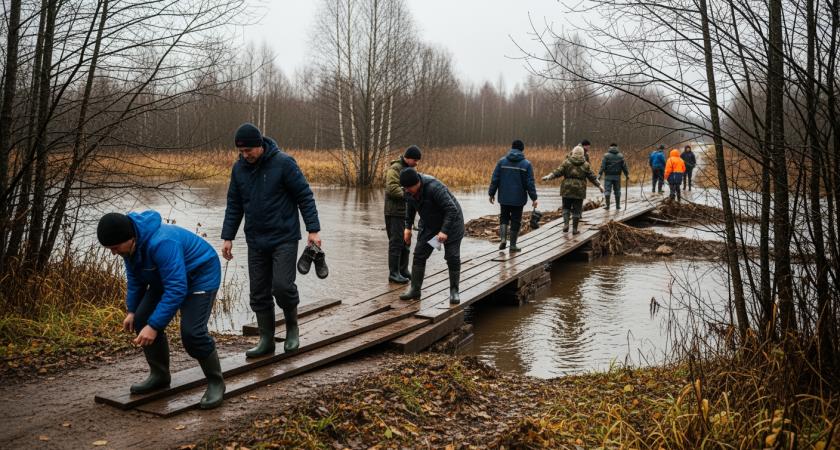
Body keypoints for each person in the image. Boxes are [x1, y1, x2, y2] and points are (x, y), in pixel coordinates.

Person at [98, 211, 225, 409]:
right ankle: (160, 375)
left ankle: (216, 382)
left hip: (200, 274)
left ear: (130, 238)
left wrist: (155, 326)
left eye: (115, 248)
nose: (113, 253)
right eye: (109, 249)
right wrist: (132, 311)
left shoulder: (162, 242)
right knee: (141, 319)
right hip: (166, 277)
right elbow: (135, 280)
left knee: (192, 333)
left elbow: (176, 288)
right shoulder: (129, 247)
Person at [221, 123, 322, 357]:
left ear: (260, 145)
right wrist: (228, 237)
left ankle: (292, 329)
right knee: (258, 292)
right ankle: (266, 340)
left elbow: (305, 196)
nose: (245, 156)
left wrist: (313, 230)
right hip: (255, 240)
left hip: (284, 236)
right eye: (241, 152)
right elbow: (234, 205)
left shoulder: (284, 163)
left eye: (249, 151)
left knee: (283, 287)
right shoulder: (239, 169)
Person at [399, 168, 465, 304]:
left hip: (452, 224)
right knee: (419, 255)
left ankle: (454, 291)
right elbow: (410, 207)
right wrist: (407, 227)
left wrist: (444, 231)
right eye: (404, 188)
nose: (406, 191)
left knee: (452, 257)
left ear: (417, 183)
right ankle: (415, 290)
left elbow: (451, 209)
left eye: (408, 187)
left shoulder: (434, 188)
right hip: (429, 224)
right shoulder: (408, 191)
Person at [488, 139, 538, 252]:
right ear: (522, 149)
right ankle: (513, 246)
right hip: (518, 198)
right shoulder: (526, 164)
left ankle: (503, 240)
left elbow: (495, 179)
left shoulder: (502, 161)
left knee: (504, 217)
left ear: (512, 148)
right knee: (516, 220)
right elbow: (530, 183)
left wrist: (491, 193)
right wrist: (534, 198)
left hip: (504, 197)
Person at [542, 146, 604, 235]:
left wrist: (549, 176)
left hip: (567, 188)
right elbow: (593, 178)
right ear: (582, 154)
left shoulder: (567, 162)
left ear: (573, 153)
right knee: (577, 209)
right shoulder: (586, 165)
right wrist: (600, 185)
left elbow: (557, 172)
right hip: (579, 190)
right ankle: (574, 229)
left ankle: (566, 225)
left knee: (566, 207)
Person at [384, 146, 421, 283]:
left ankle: (403, 269)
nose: (417, 163)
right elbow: (392, 189)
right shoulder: (395, 169)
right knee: (396, 242)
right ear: (408, 158)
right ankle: (393, 273)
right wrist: (410, 195)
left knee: (406, 241)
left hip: (405, 211)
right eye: (415, 160)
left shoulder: (410, 170)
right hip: (393, 212)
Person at [597, 143, 630, 210]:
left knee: (607, 191)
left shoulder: (606, 156)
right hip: (617, 176)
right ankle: (618, 206)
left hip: (608, 176)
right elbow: (624, 166)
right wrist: (627, 174)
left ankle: (608, 206)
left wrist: (599, 175)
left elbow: (602, 166)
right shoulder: (620, 156)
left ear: (610, 147)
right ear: (616, 147)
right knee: (617, 191)